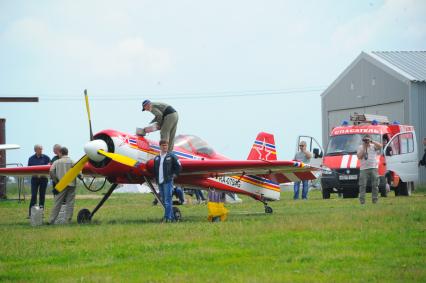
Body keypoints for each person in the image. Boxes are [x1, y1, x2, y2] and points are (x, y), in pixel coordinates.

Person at [153, 140, 182, 222]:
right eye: (163, 145)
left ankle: (167, 218)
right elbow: (155, 170)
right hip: (160, 182)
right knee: (163, 200)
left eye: (166, 145)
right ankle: (171, 217)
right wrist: (156, 179)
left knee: (167, 200)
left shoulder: (171, 156)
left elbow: (179, 166)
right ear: (160, 146)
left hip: (168, 181)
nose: (165, 147)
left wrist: (174, 175)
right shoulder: (157, 158)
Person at [48, 147, 77, 224]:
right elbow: (78, 170)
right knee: (70, 203)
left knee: (57, 203)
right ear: (67, 152)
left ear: (60, 153)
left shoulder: (56, 162)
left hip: (61, 185)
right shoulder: (72, 161)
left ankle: (51, 220)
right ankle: (68, 220)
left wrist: (56, 181)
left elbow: (51, 171)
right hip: (71, 185)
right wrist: (81, 177)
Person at [357, 134, 382, 204]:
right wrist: (364, 148)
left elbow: (380, 146)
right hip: (363, 169)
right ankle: (362, 202)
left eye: (367, 140)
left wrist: (372, 141)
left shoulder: (373, 146)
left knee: (375, 185)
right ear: (363, 141)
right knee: (362, 185)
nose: (366, 141)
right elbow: (359, 157)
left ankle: (375, 201)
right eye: (365, 140)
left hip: (373, 168)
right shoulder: (360, 147)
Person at [28, 144, 51, 217]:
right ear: (35, 150)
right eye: (39, 149)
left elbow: (50, 167)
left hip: (43, 179)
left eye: (41, 149)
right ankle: (31, 213)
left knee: (42, 196)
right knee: (33, 195)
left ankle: (41, 213)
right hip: (34, 179)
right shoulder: (31, 158)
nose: (41, 150)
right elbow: (29, 169)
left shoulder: (46, 158)